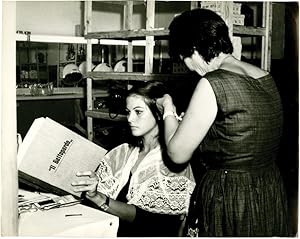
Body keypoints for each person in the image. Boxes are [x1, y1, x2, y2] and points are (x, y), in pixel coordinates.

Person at [155, 8, 290, 237]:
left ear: (194, 50)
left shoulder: (212, 83)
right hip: (267, 187)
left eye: (184, 58)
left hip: (229, 195)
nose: (188, 67)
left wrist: (168, 110)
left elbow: (177, 154)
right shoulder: (265, 76)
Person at [72, 81, 195, 237]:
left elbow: (151, 221)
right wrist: (91, 187)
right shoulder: (123, 152)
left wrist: (99, 198)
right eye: (128, 111)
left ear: (159, 114)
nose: (130, 118)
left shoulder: (171, 162)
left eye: (138, 112)